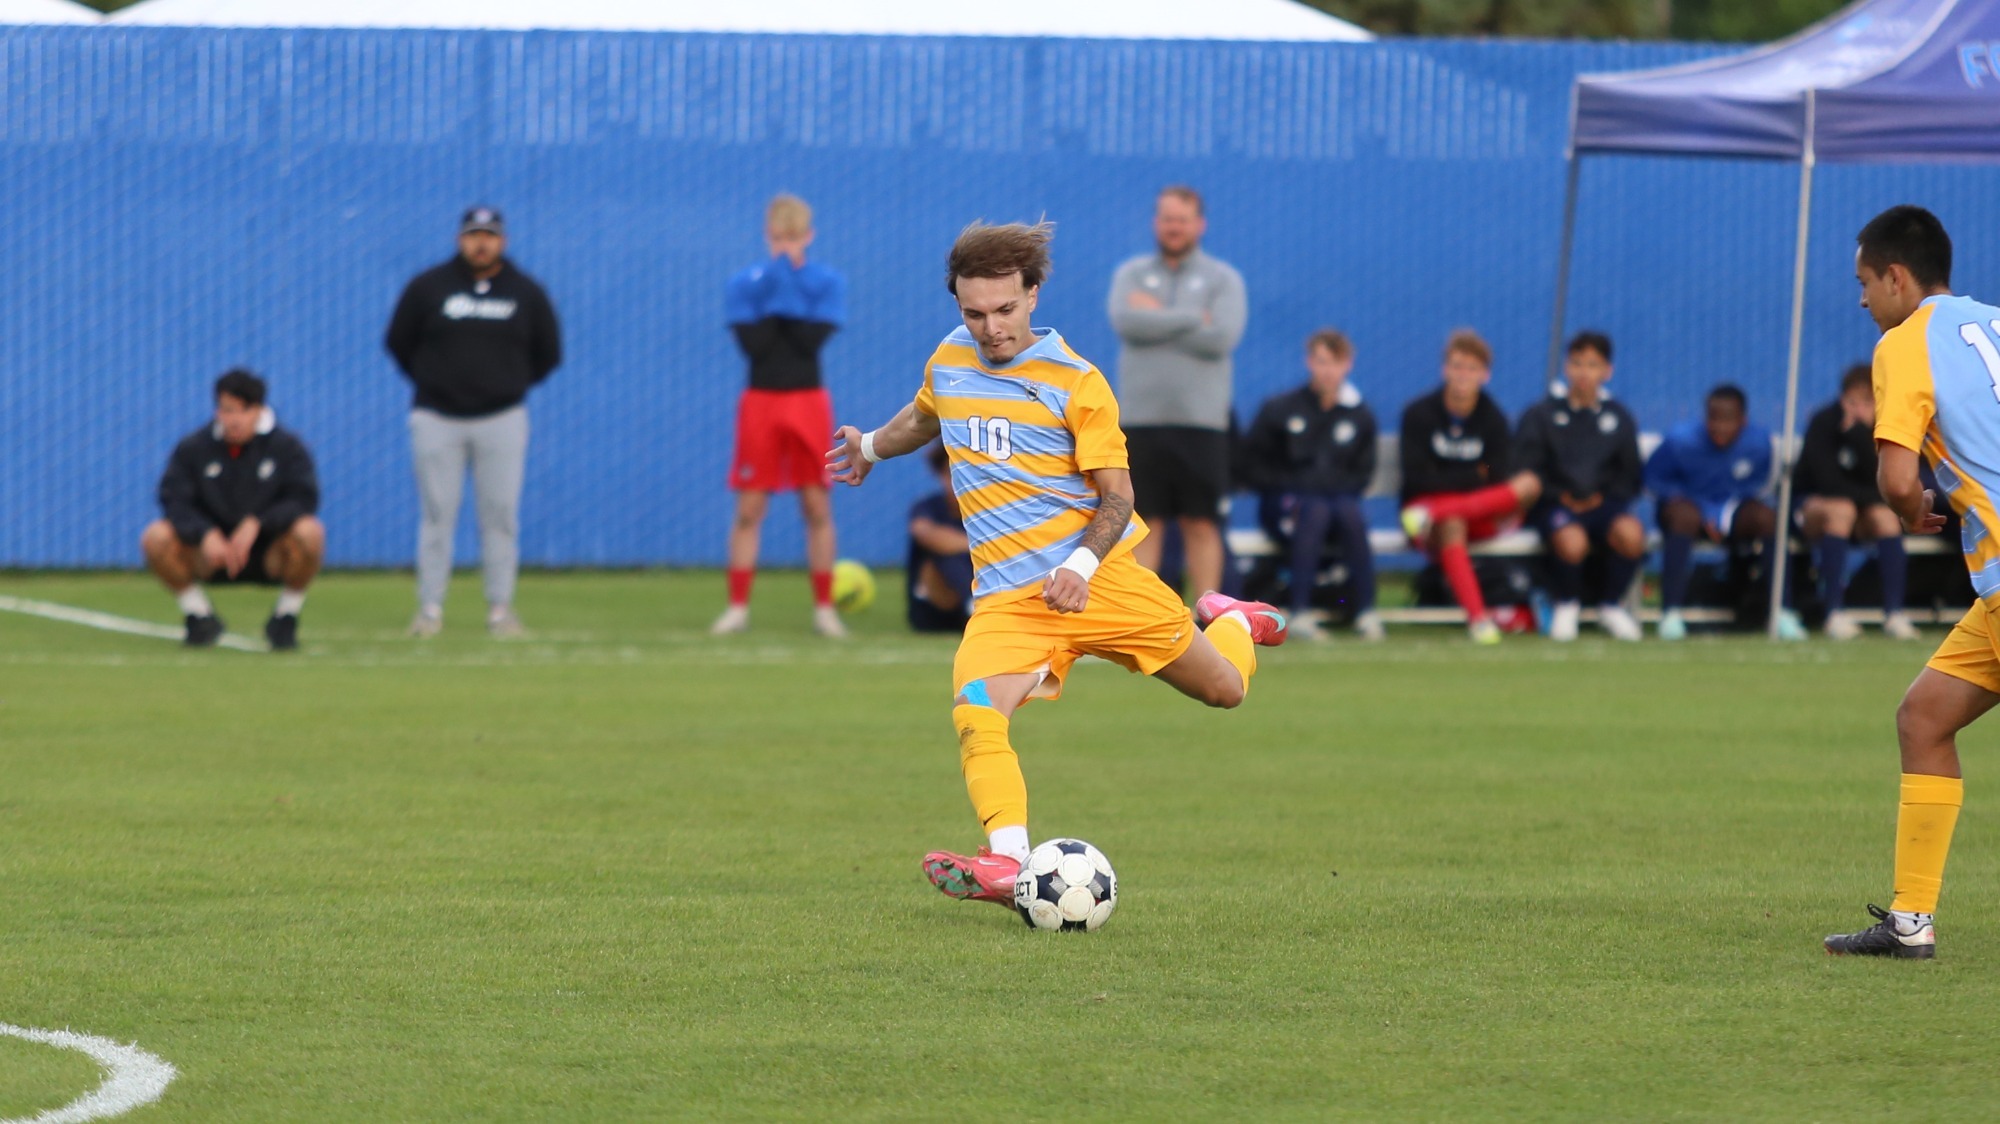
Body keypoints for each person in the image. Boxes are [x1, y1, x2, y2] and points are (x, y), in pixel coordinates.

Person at [826, 220, 1288, 913]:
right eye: (974, 313)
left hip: (1101, 582)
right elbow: (925, 417)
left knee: (1226, 692)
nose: (991, 328)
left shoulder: (1077, 382)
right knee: (977, 708)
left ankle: (1234, 622)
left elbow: (1119, 497)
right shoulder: (950, 359)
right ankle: (1008, 864)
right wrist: (869, 446)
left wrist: (1077, 563)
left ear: (1034, 294)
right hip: (1010, 603)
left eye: (1005, 309)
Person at [1824, 205, 2000, 959]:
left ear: (1896, 277)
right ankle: (1909, 922)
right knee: (1924, 717)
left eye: (1865, 282)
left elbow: (1898, 478)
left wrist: (1912, 507)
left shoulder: (1905, 343)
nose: (1862, 299)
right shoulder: (1992, 320)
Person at [385, 205, 561, 639]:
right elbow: (398, 341)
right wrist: (435, 381)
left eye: (489, 235)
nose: (481, 243)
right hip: (436, 418)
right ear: (459, 239)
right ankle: (429, 610)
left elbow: (548, 352)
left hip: (501, 418)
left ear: (503, 240)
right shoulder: (429, 287)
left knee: (500, 515)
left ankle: (500, 610)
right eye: (473, 235)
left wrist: (508, 384)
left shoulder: (525, 292)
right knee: (436, 514)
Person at [712, 194, 849, 638]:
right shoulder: (746, 283)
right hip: (760, 401)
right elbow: (756, 346)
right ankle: (737, 607)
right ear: (766, 236)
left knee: (816, 502)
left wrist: (785, 289)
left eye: (793, 238)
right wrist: (779, 285)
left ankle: (824, 609)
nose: (785, 247)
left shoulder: (826, 282)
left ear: (808, 236)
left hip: (808, 401)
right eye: (777, 238)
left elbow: (810, 342)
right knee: (750, 506)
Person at [1108, 185, 1248, 601]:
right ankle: (1142, 619)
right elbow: (1125, 321)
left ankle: (1210, 620)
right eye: (1167, 218)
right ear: (1157, 223)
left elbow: (1221, 336)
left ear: (1199, 225)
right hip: (1141, 419)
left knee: (1201, 524)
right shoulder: (1131, 274)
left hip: (1201, 422)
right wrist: (1191, 317)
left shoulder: (1223, 279)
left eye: (1182, 219)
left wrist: (1156, 314)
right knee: (1143, 522)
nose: (1174, 227)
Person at [140, 369, 323, 651]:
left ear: (259, 411)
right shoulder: (194, 448)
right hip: (211, 555)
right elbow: (174, 499)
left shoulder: (287, 448)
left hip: (268, 554)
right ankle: (199, 615)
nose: (234, 419)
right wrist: (205, 534)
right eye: (227, 410)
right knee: (155, 537)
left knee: (310, 533)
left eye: (243, 410)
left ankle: (285, 616)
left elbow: (303, 498)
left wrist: (259, 523)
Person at [1398, 330, 1542, 644]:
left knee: (1529, 484)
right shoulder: (1419, 414)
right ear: (1444, 370)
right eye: (1457, 366)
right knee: (1451, 524)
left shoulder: (1493, 419)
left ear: (1485, 375)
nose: (1463, 375)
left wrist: (1451, 482)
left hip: (1457, 511)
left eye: (1471, 369)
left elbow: (1494, 475)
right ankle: (1479, 620)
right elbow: (1417, 477)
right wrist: (1470, 475)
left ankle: (1440, 511)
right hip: (1428, 519)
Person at [1240, 329, 1381, 641]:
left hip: (1336, 508)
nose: (1328, 370)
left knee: (1350, 514)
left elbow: (1362, 474)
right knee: (1314, 509)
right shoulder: (1281, 409)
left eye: (1335, 362)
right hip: (1283, 507)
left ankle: (1366, 611)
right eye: (1321, 361)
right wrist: (1297, 488)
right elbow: (1254, 466)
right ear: (1309, 363)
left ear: (1348, 365)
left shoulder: (1359, 415)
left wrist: (1327, 489)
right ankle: (1300, 612)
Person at [1512, 332, 1645, 642]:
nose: (1584, 372)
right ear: (1566, 368)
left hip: (1603, 505)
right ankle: (1566, 606)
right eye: (1576, 363)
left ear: (1606, 371)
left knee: (1631, 534)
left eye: (1592, 365)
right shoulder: (1541, 415)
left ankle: (1610, 606)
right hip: (1555, 506)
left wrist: (1603, 497)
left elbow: (1630, 474)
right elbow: (1525, 468)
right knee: (1572, 541)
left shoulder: (1619, 418)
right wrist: (1558, 495)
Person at [1643, 385, 1796, 640]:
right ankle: (1670, 613)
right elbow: (1654, 480)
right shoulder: (1680, 440)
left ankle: (1783, 611)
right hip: (1687, 510)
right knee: (1684, 517)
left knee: (1769, 519)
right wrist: (1703, 511)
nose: (1720, 427)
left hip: (1732, 512)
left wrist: (1721, 514)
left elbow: (1759, 487)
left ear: (1743, 420)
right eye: (1714, 418)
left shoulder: (1759, 443)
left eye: (1728, 419)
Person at [1795, 363, 1920, 641]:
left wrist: (1859, 437)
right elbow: (1827, 484)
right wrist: (1868, 497)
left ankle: (1894, 613)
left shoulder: (1886, 430)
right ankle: (1834, 612)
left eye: (1867, 402)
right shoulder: (1824, 423)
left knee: (1885, 517)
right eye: (1852, 401)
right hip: (1816, 510)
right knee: (1841, 510)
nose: (1858, 409)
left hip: (1861, 510)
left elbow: (1886, 481)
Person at [907, 442, 973, 634]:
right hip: (932, 612)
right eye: (951, 475)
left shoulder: (988, 513)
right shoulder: (928, 508)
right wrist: (980, 545)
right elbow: (923, 533)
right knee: (947, 554)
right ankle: (972, 603)